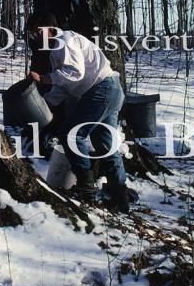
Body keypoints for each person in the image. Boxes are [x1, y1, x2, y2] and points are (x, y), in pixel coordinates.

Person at [26, 11, 130, 213]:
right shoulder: (57, 48)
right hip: (109, 89)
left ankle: (86, 189)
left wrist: (44, 78)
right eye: (33, 34)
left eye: (37, 32)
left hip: (102, 89)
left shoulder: (65, 40)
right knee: (106, 145)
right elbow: (63, 86)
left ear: (47, 28)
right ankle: (121, 197)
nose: (36, 37)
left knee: (72, 135)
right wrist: (42, 103)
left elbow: (74, 73)